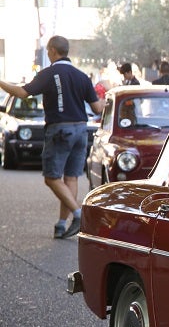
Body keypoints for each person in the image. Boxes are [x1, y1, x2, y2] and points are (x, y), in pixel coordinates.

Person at [0, 35, 103, 238]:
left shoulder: (49, 74)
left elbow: (21, 93)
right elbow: (97, 107)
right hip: (82, 129)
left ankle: (79, 213)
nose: (48, 54)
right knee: (71, 177)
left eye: (48, 51)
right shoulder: (82, 76)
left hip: (60, 130)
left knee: (51, 177)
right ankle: (62, 225)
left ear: (53, 51)